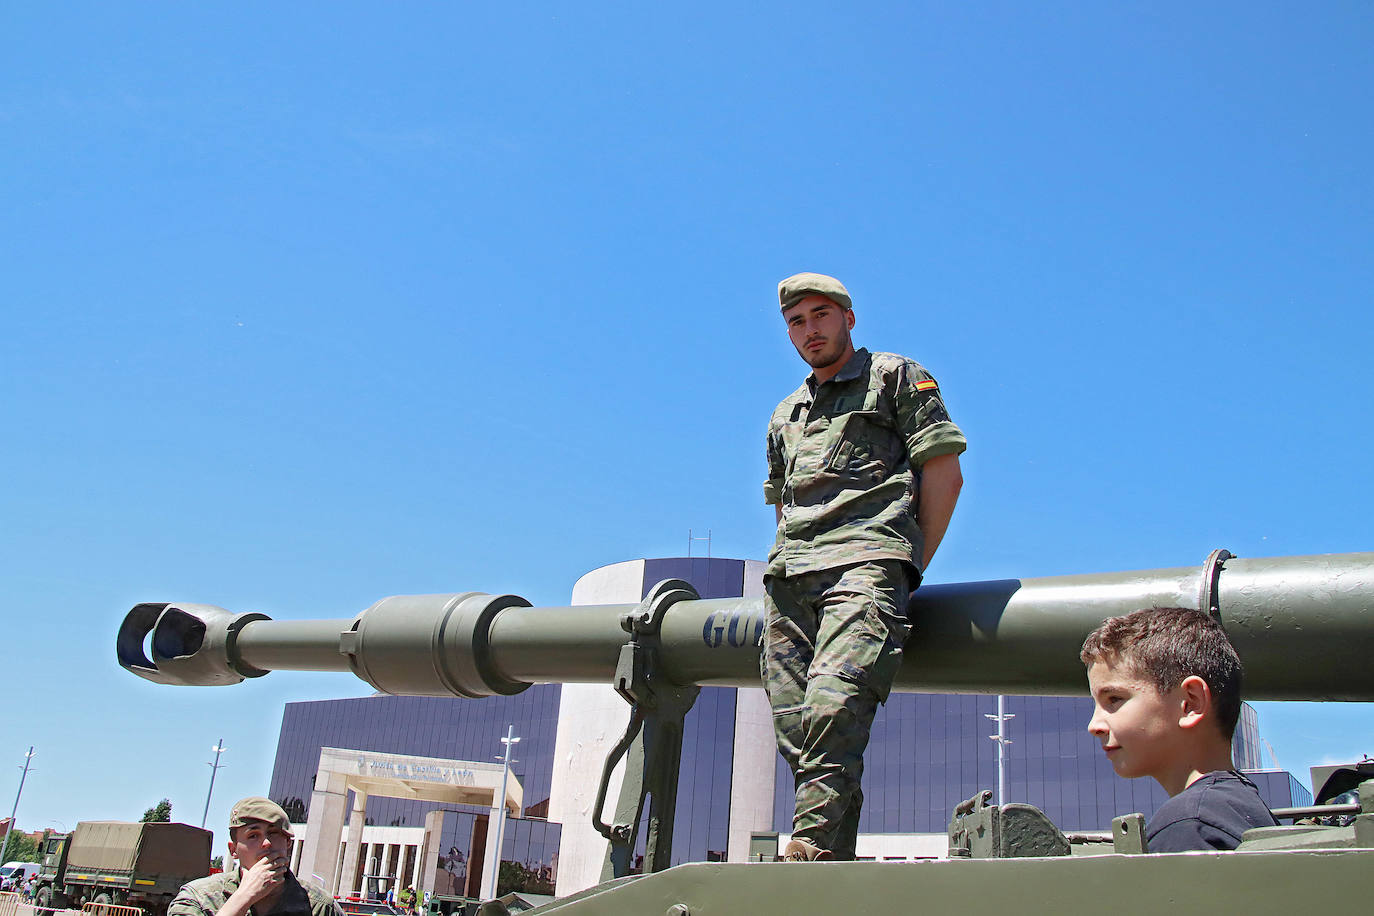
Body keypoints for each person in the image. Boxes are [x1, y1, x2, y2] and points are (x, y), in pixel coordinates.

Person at [763, 272, 967, 861]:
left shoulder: (894, 377)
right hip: (791, 580)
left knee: (835, 705)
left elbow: (944, 470)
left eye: (821, 315)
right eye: (796, 322)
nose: (810, 330)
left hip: (867, 562)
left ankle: (808, 853)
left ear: (848, 319)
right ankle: (834, 865)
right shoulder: (786, 415)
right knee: (798, 732)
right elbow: (782, 505)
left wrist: (908, 563)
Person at [1081, 606, 1279, 852]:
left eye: (1114, 699)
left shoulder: (1189, 826)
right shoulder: (1241, 808)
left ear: (1190, 703)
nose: (1094, 726)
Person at [168, 797, 342, 916]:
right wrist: (244, 897)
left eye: (274, 833)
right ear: (233, 850)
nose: (266, 843)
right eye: (253, 835)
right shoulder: (199, 898)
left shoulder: (321, 907)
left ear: (288, 843)